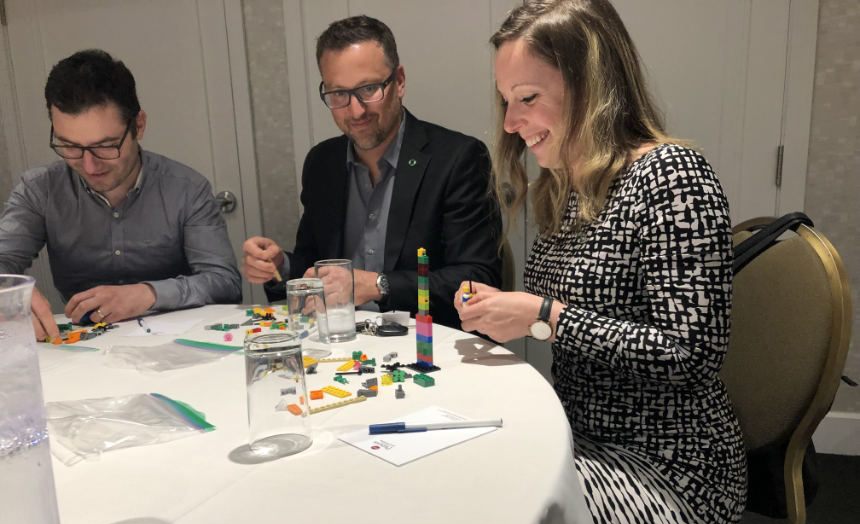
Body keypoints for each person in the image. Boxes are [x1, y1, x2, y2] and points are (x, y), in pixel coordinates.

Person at [457, 0, 746, 524]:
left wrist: (545, 317)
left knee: (479, 512)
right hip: (582, 440)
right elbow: (564, 311)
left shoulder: (672, 177)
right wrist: (509, 310)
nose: (511, 123)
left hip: (673, 475)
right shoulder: (569, 188)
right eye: (506, 101)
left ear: (592, 85)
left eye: (528, 98)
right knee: (460, 471)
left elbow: (692, 354)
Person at [242, 15, 501, 329]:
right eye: (338, 94)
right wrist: (280, 265)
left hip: (427, 345)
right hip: (341, 344)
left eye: (369, 89)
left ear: (399, 81)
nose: (356, 110)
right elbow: (314, 269)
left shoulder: (458, 158)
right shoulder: (322, 162)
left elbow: (477, 279)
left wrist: (379, 285)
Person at [0, 49, 242, 340]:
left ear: (138, 125)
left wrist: (148, 294)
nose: (89, 165)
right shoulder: (39, 190)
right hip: (82, 352)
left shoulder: (186, 188)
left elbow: (225, 282)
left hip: (178, 343)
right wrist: (9, 293)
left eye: (105, 146)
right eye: (69, 146)